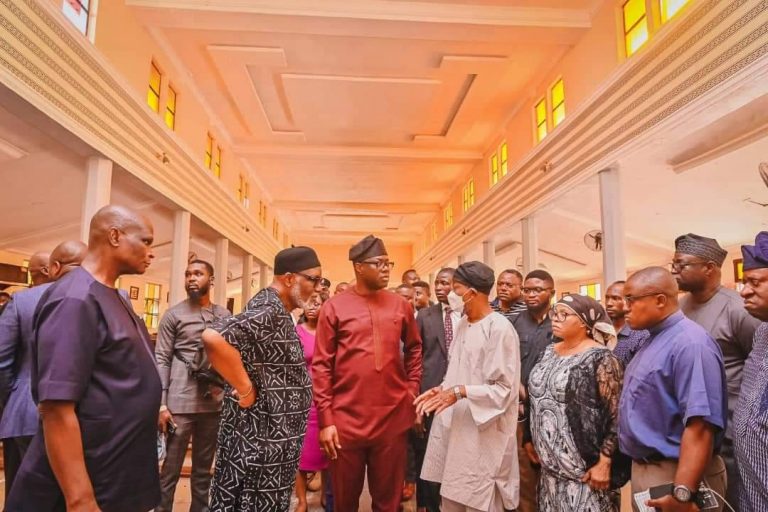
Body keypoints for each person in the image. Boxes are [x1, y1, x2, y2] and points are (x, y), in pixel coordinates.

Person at [7, 205, 162, 512]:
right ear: (115, 236)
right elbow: (56, 407)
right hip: (89, 481)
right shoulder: (74, 299)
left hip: (114, 470)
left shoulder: (112, 294)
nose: (151, 252)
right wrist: (80, 499)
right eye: (145, 241)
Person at [202, 246, 321, 512]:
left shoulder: (276, 308)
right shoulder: (269, 310)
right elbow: (213, 337)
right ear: (289, 278)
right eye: (313, 280)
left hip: (270, 444)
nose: (317, 289)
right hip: (261, 447)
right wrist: (245, 389)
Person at [313, 235, 422, 512]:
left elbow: (414, 348)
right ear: (359, 267)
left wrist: (412, 389)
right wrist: (326, 420)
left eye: (388, 263)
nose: (386, 269)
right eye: (379, 263)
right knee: (344, 502)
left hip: (391, 419)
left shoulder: (400, 305)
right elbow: (321, 365)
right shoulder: (334, 307)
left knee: (388, 503)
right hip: (345, 420)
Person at [619, 267, 727, 512]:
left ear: (660, 300)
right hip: (650, 470)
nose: (625, 307)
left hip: (677, 474)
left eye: (631, 300)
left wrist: (683, 493)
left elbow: (700, 427)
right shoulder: (654, 338)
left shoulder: (691, 344)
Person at [417, 261, 520, 512]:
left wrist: (460, 391)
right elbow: (458, 372)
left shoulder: (499, 329)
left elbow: (504, 390)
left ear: (472, 293)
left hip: (484, 436)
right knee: (452, 496)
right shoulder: (464, 323)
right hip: (458, 430)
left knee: (479, 500)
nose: (450, 294)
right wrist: (443, 389)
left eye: (456, 289)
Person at [672, 233, 759, 508]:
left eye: (681, 264)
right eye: (673, 263)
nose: (674, 270)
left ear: (709, 267)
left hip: (730, 434)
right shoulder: (679, 308)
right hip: (690, 429)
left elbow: (759, 364)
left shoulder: (739, 309)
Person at [0, 240, 87, 497]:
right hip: (79, 415)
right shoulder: (92, 297)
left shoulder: (21, 301)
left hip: (24, 412)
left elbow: (2, 360)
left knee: (20, 495)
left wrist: (13, 395)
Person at [524, 294, 625, 511]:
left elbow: (618, 415)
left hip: (585, 474)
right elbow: (534, 397)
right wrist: (528, 437)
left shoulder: (602, 359)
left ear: (585, 323)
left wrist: (605, 461)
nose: (555, 318)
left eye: (565, 314)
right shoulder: (548, 352)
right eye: (555, 312)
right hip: (550, 473)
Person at [155, 259, 231, 512]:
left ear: (211, 280)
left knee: (203, 471)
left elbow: (231, 355)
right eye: (188, 274)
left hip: (213, 402)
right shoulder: (173, 315)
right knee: (170, 471)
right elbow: (162, 358)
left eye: (198, 274)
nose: (191, 278)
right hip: (179, 404)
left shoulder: (223, 315)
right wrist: (162, 404)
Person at [413, 267, 457, 512]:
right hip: (430, 394)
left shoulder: (466, 315)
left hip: (459, 394)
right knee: (429, 453)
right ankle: (428, 505)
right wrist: (418, 404)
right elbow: (415, 358)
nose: (440, 288)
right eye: (437, 283)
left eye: (445, 283)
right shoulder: (425, 315)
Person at [512, 269, 555, 512]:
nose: (530, 294)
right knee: (526, 475)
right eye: (527, 290)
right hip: (522, 411)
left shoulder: (561, 321)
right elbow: (504, 361)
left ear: (551, 293)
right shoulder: (514, 323)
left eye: (537, 290)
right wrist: (517, 386)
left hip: (553, 412)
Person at [734, 232, 768, 512]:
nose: (744, 291)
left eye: (755, 282)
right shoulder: (761, 333)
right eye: (745, 282)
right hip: (750, 494)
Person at [295, 292, 329, 512]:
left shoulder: (330, 332)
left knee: (326, 449)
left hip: (326, 396)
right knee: (301, 451)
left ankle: (325, 493)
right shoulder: (296, 332)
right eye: (308, 302)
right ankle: (302, 500)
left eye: (317, 303)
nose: (312, 307)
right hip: (302, 398)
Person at [604, 280, 650, 367]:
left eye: (615, 298)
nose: (609, 303)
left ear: (628, 301)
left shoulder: (640, 335)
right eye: (607, 298)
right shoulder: (602, 331)